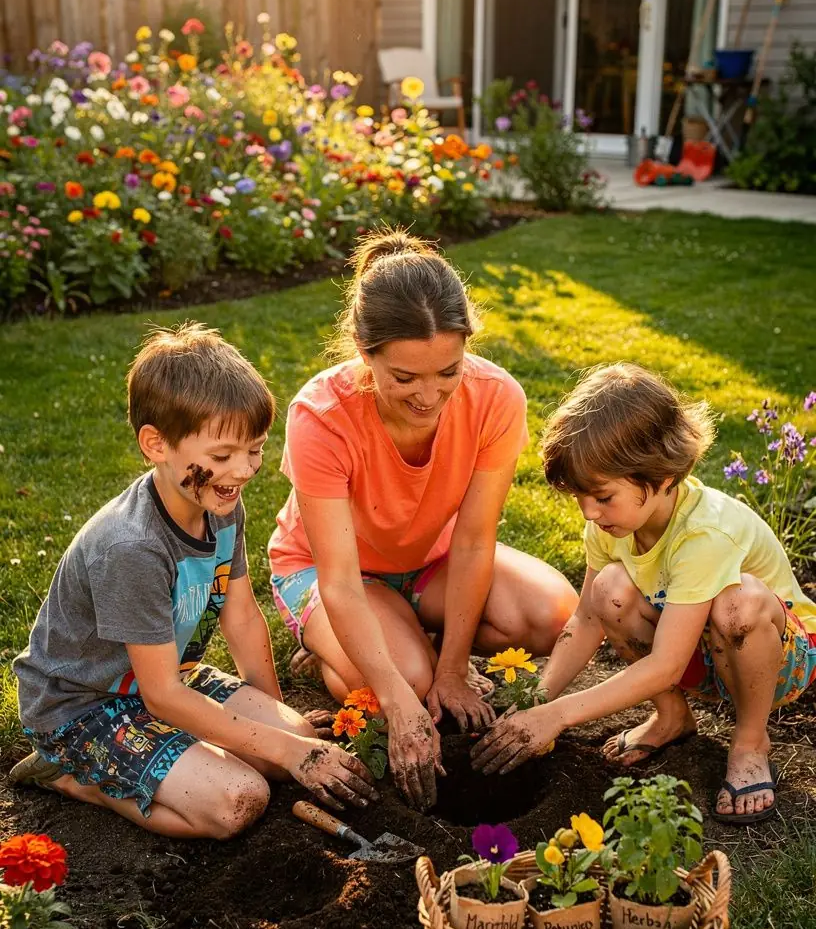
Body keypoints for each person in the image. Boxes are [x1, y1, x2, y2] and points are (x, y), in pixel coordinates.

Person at [10, 323, 376, 838]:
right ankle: (72, 776)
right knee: (239, 801)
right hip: (87, 706)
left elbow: (243, 616)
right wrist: (285, 749)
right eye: (223, 456)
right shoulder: (131, 547)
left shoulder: (219, 501)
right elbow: (160, 696)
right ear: (156, 444)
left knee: (281, 749)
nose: (244, 469)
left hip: (169, 677)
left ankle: (188, 758)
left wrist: (280, 726)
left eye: (255, 449)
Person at [268, 230, 578, 812]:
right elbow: (337, 578)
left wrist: (456, 670)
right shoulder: (321, 415)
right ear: (365, 353)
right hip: (332, 572)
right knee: (405, 681)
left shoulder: (496, 398)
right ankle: (355, 651)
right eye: (404, 378)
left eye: (447, 372)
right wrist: (399, 697)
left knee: (551, 616)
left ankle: (392, 643)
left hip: (430, 560)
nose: (429, 396)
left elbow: (474, 540)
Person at [472, 363, 816, 825]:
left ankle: (751, 740)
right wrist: (537, 698)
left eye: (603, 496)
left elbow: (667, 664)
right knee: (608, 592)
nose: (590, 511)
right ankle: (671, 718)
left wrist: (557, 717)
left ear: (661, 476)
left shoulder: (705, 532)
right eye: (581, 497)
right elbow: (586, 621)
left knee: (739, 604)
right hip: (702, 653)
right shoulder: (612, 525)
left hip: (777, 663)